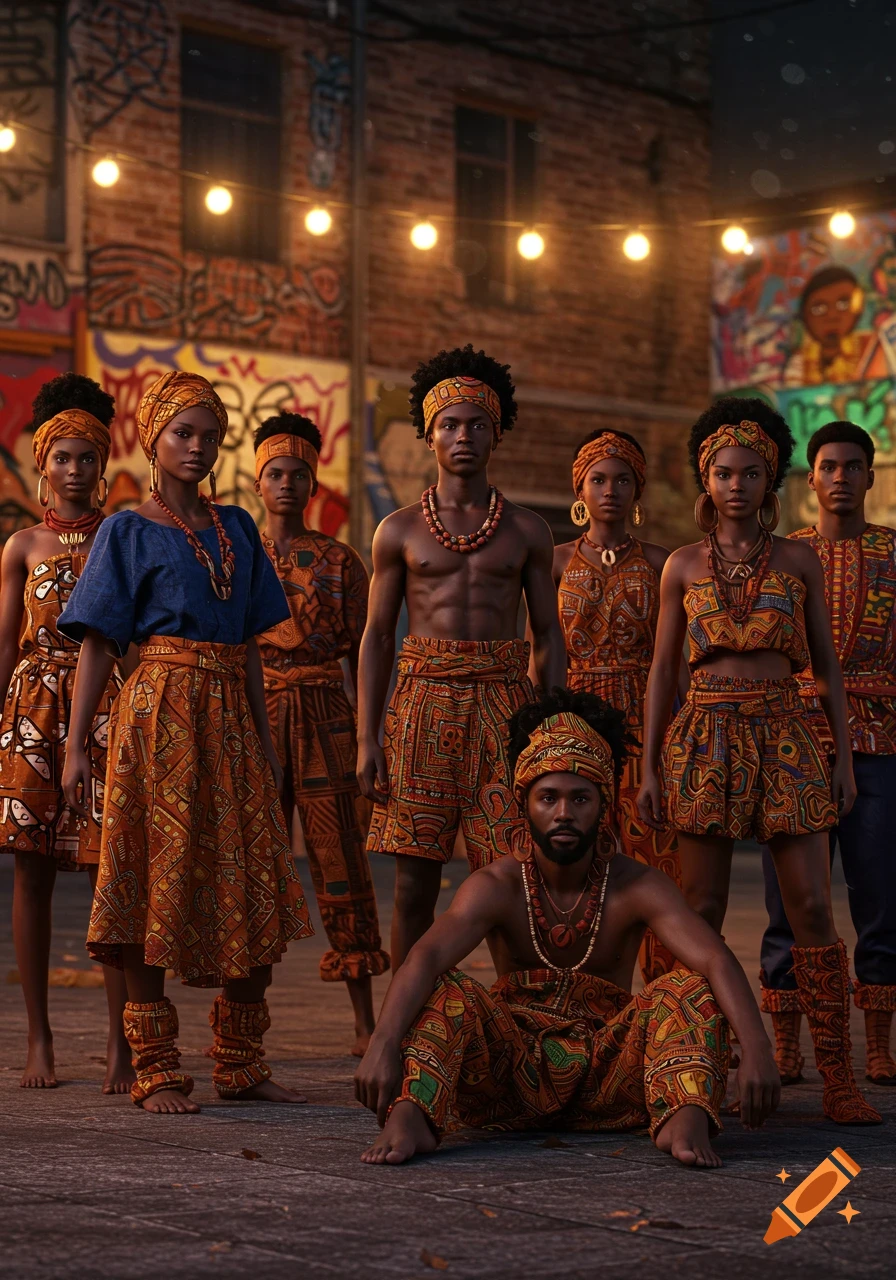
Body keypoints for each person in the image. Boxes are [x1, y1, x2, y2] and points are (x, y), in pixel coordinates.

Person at [354, 689, 780, 1168]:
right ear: (524, 804)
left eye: (580, 798)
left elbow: (715, 958)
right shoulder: (495, 885)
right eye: (548, 798)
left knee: (687, 988)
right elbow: (425, 958)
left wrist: (758, 1049)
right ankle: (412, 1115)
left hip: (612, 1075)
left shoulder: (637, 884)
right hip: (510, 1078)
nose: (563, 813)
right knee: (448, 989)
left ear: (602, 807)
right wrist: (383, 1044)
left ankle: (684, 1115)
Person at [58, 370, 313, 1114]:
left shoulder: (237, 527)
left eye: (209, 436)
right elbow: (100, 645)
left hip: (233, 715)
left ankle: (240, 1063)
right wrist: (77, 745)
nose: (197, 447)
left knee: (253, 877)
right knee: (150, 876)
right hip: (157, 714)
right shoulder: (125, 530)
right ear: (153, 438)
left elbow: (255, 644)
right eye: (182, 433)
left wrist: (265, 742)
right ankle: (157, 1066)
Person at [637, 396, 880, 1126]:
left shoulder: (798, 559)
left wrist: (840, 761)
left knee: (810, 904)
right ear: (705, 481)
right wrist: (649, 767)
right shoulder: (680, 565)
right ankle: (695, 1070)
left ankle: (838, 1076)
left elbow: (829, 671)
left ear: (770, 482)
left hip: (788, 734)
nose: (735, 484)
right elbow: (660, 674)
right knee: (701, 909)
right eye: (721, 472)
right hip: (704, 733)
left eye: (749, 473)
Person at [357, 345, 565, 967]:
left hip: (505, 706)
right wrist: (369, 736)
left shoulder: (528, 530)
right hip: (421, 704)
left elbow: (547, 635)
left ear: (496, 432)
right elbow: (376, 635)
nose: (463, 435)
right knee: (414, 881)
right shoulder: (397, 529)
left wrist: (551, 727)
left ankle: (520, 1018)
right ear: (427, 434)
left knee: (510, 873)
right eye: (449, 423)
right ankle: (405, 1023)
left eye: (477, 423)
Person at [0, 373, 130, 1093]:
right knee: (32, 871)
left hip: (109, 705)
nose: (74, 470)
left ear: (102, 463)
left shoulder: (124, 537)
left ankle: (121, 1042)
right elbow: (4, 643)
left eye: (87, 457)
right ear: (42, 463)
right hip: (31, 712)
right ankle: (39, 1040)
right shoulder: (23, 544)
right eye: (62, 457)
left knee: (111, 868)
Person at [760, 422, 896, 1086]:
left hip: (879, 743)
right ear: (809, 479)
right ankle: (788, 1043)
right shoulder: (781, 558)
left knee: (881, 895)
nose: (840, 477)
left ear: (871, 477)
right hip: (790, 745)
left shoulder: (895, 555)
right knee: (789, 901)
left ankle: (878, 1045)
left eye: (852, 466)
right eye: (828, 467)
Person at [253, 411, 389, 1055]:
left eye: (297, 475)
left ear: (313, 485)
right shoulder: (234, 553)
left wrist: (370, 735)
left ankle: (365, 1020)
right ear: (257, 482)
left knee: (342, 863)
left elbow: (366, 651)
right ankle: (242, 1021)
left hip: (327, 713)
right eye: (275, 473)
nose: (286, 484)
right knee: (253, 861)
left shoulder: (340, 560)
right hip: (254, 717)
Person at [555, 428, 683, 982]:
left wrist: (665, 745)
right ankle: (586, 1002)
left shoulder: (663, 561)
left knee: (655, 862)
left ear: (639, 491)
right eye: (598, 479)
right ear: (580, 489)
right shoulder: (554, 561)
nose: (610, 490)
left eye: (623, 479)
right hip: (576, 721)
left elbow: (671, 661)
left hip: (644, 720)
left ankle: (668, 1008)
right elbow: (541, 652)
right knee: (578, 863)